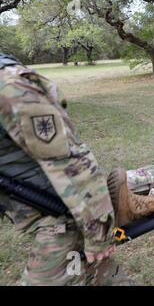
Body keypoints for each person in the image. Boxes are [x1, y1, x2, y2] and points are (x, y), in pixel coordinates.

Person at [0, 53, 131, 285]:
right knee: (98, 276)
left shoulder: (8, 86)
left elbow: (70, 160)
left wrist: (99, 232)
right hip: (36, 210)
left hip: (61, 213)